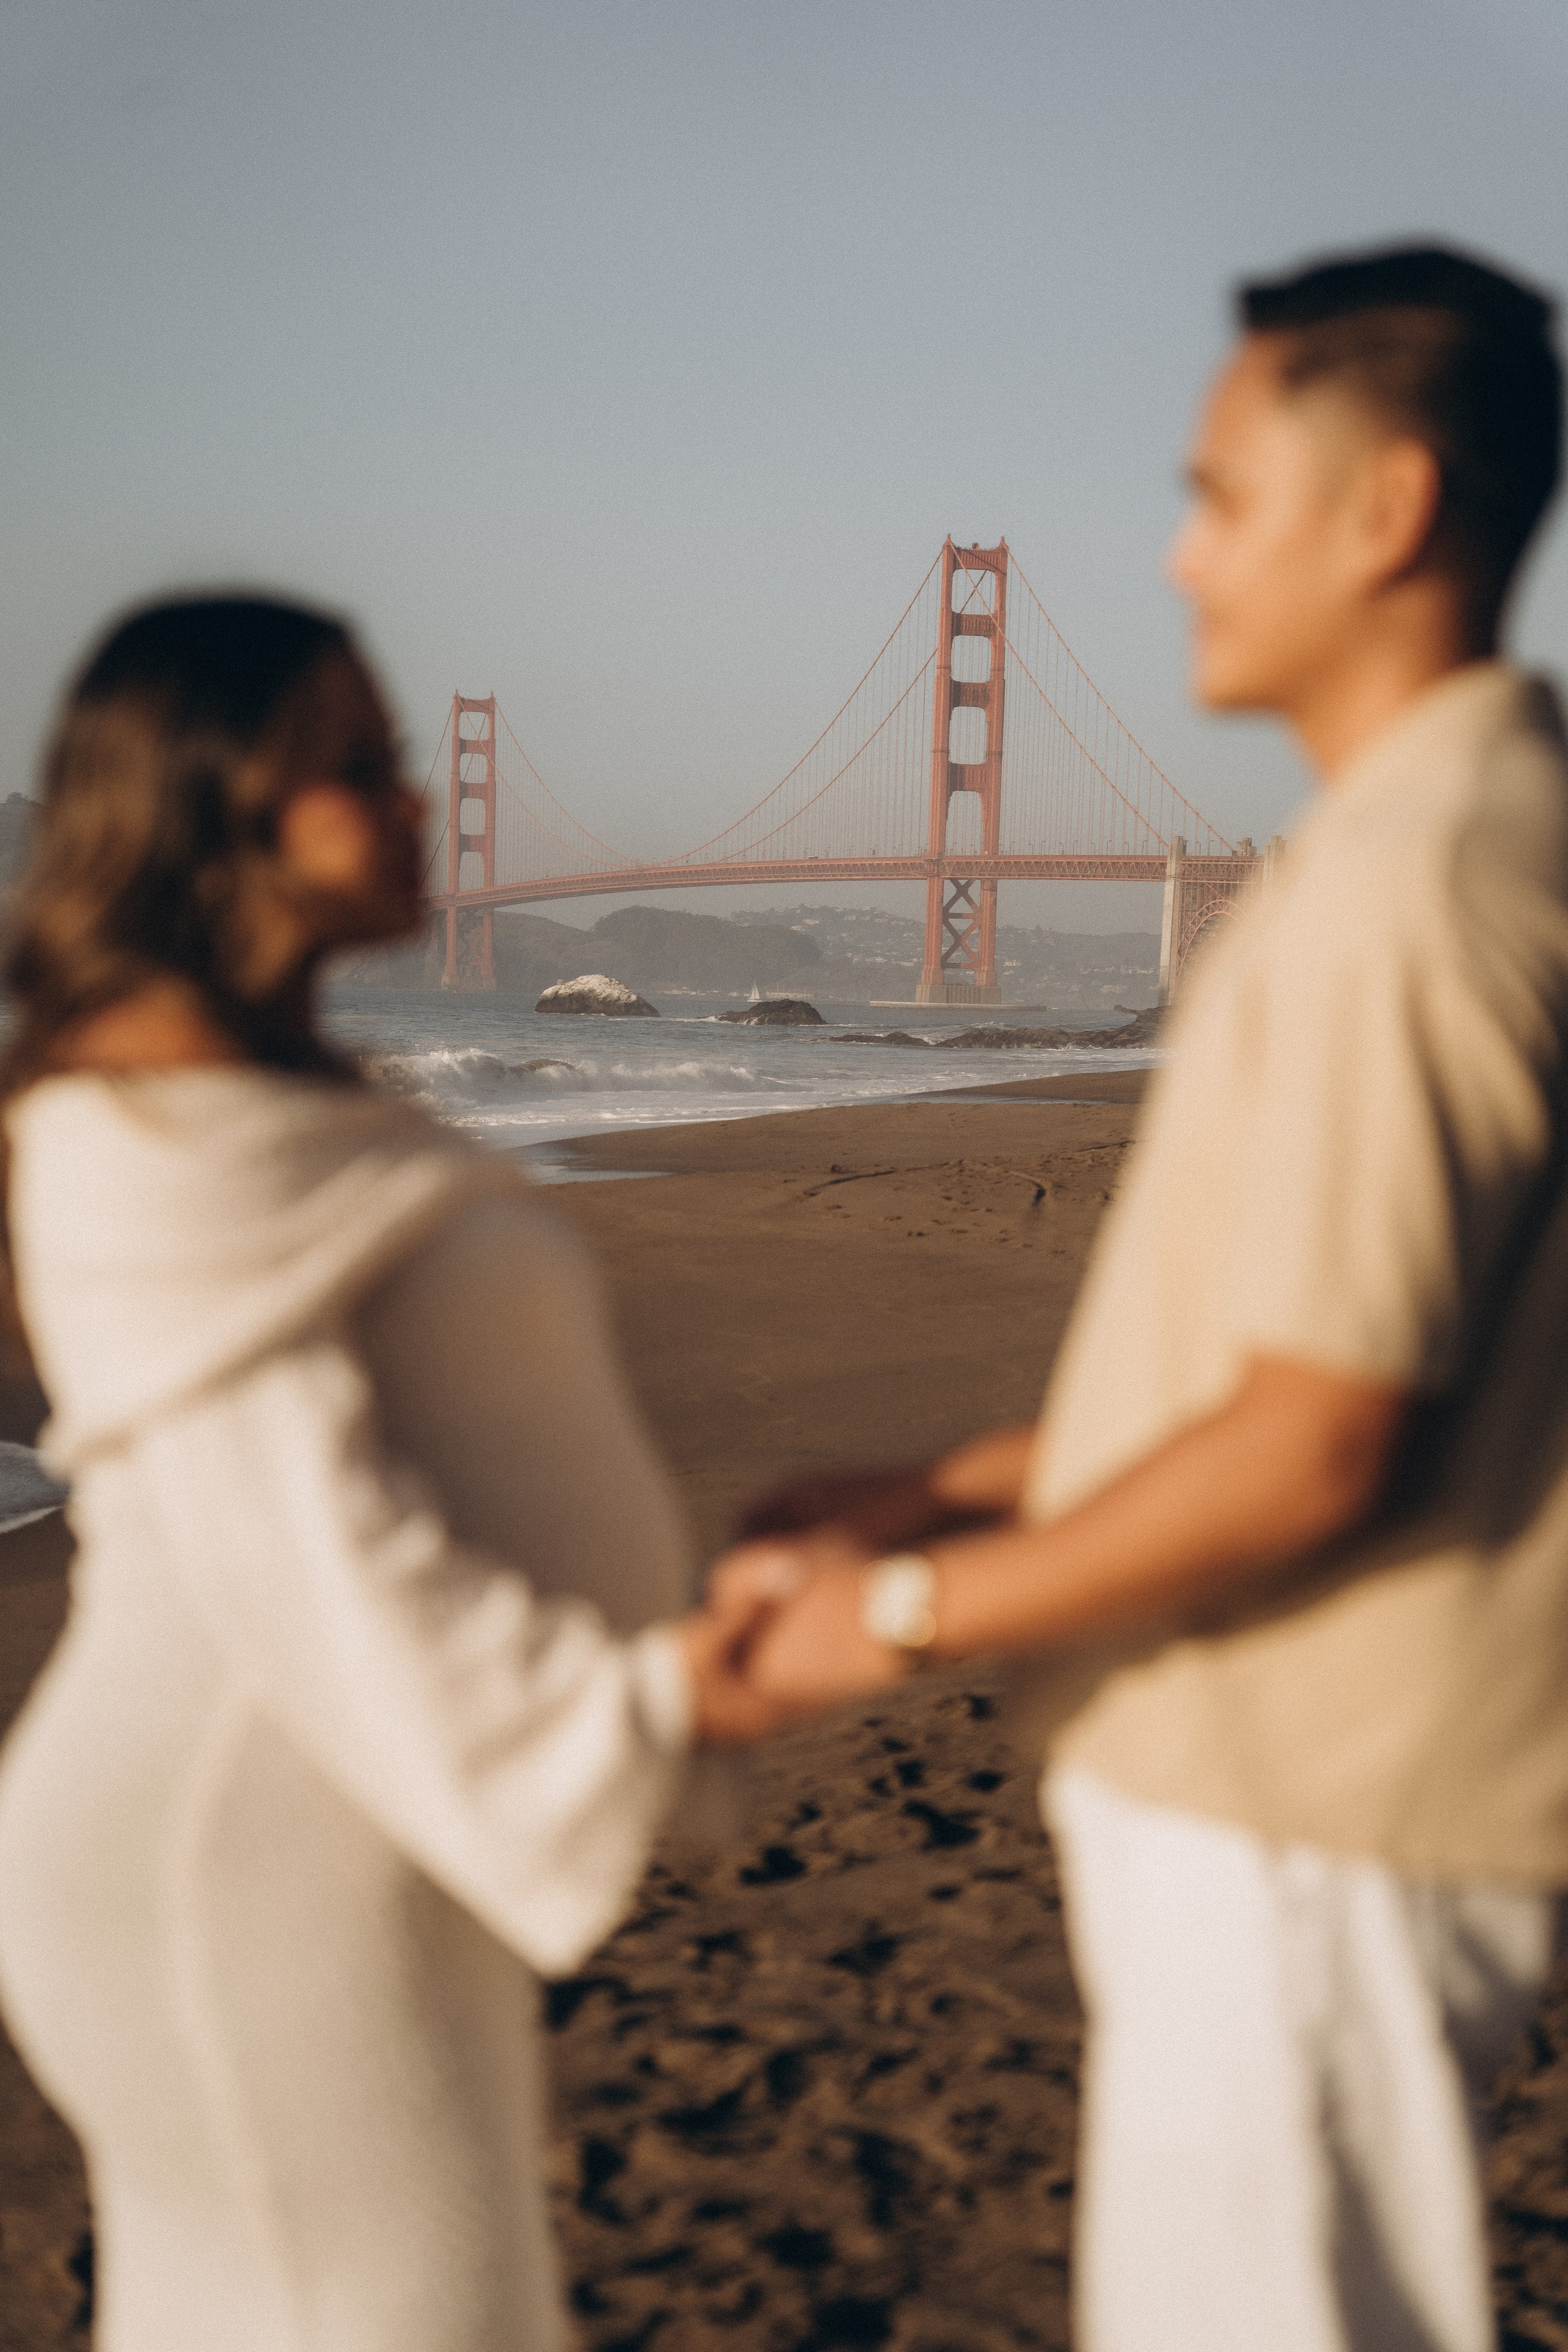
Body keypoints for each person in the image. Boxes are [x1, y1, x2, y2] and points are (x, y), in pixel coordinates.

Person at [718, 245, 1567, 2352]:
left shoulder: (1403, 891)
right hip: (1318, 1816)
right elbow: (1318, 1366)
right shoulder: (1475, 843)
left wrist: (893, 1618)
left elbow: (1315, 1440)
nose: (1175, 561)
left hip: (1309, 1817)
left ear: (1384, 513)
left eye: (1214, 496)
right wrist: (953, 1484)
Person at [0, 597, 782, 2352]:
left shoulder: (280, 1107)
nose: (420, 804)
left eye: (407, 762)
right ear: (214, 819)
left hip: (358, 1809)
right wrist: (710, 1683)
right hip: (246, 1858)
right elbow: (320, 1548)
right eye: (361, 771)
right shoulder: (138, 1143)